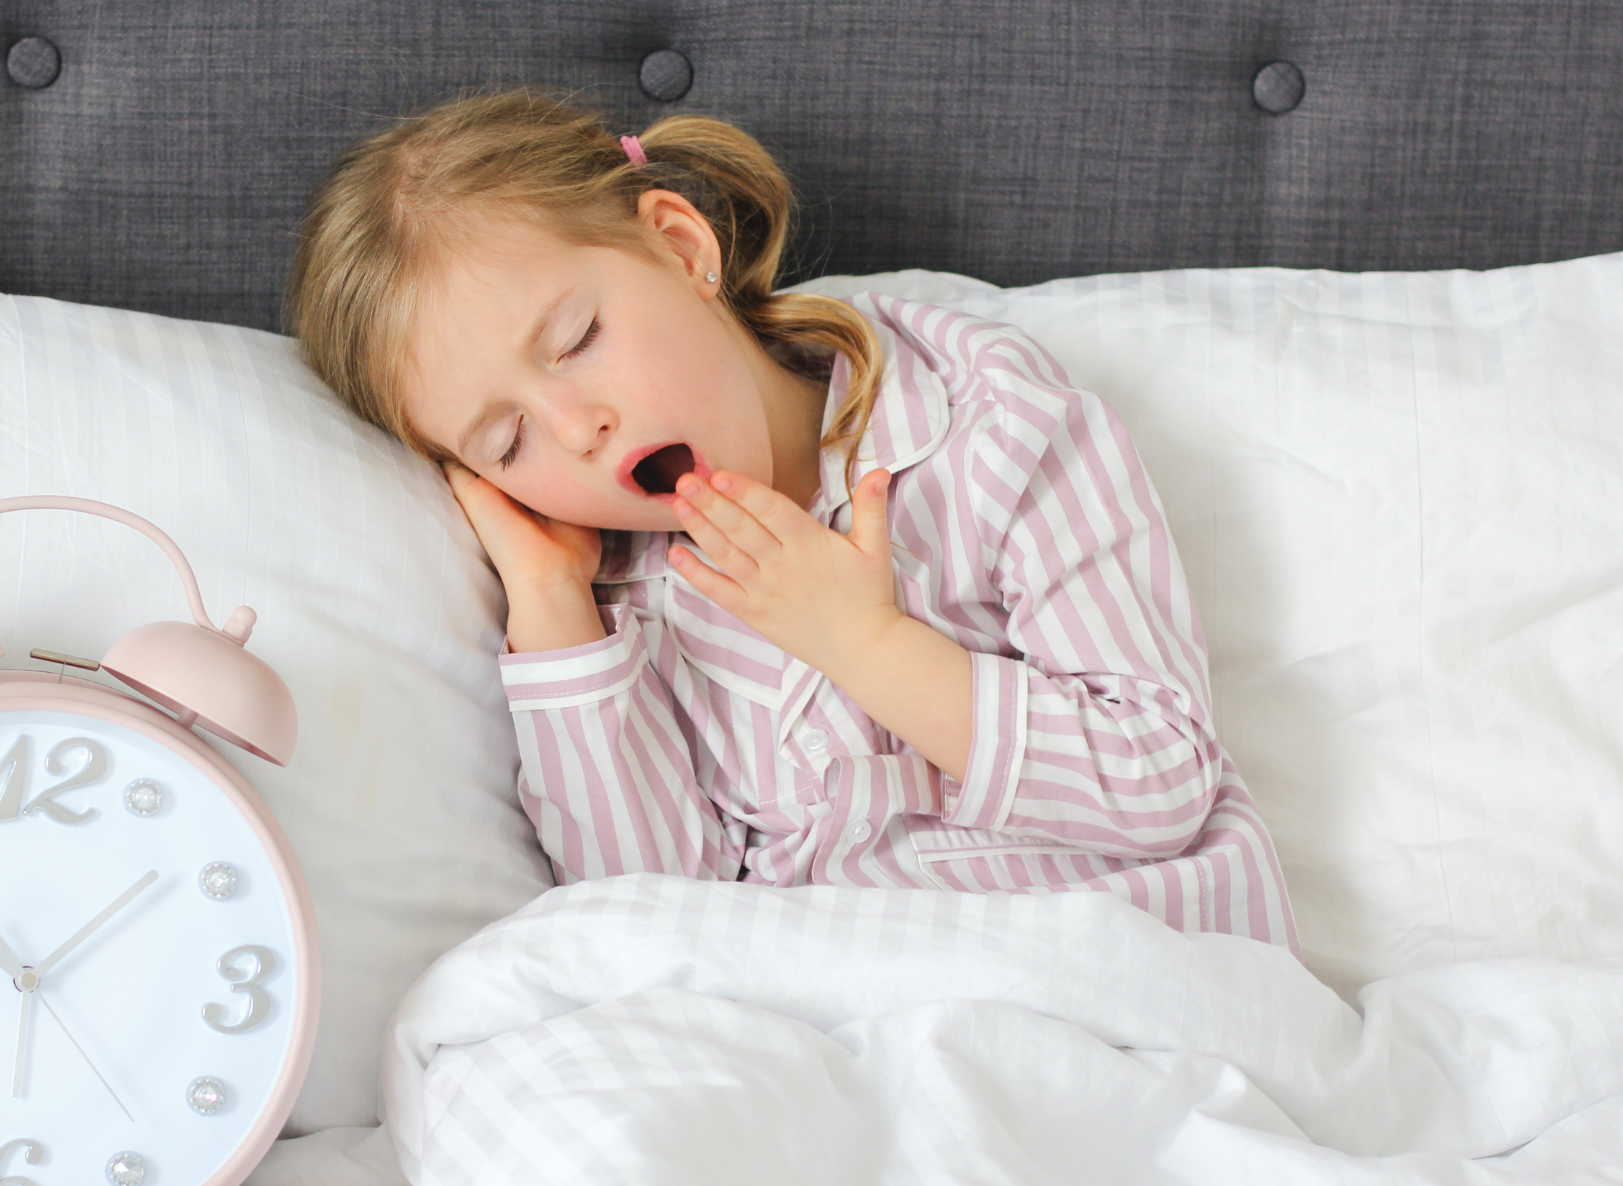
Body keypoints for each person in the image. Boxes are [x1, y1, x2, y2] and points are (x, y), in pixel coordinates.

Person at [284, 87, 1296, 951]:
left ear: (679, 248)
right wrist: (552, 606)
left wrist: (866, 645)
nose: (578, 429)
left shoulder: (990, 425)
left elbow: (1158, 783)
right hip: (839, 1017)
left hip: (1107, 953)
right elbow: (645, 915)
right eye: (508, 445)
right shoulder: (621, 598)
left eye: (578, 338)